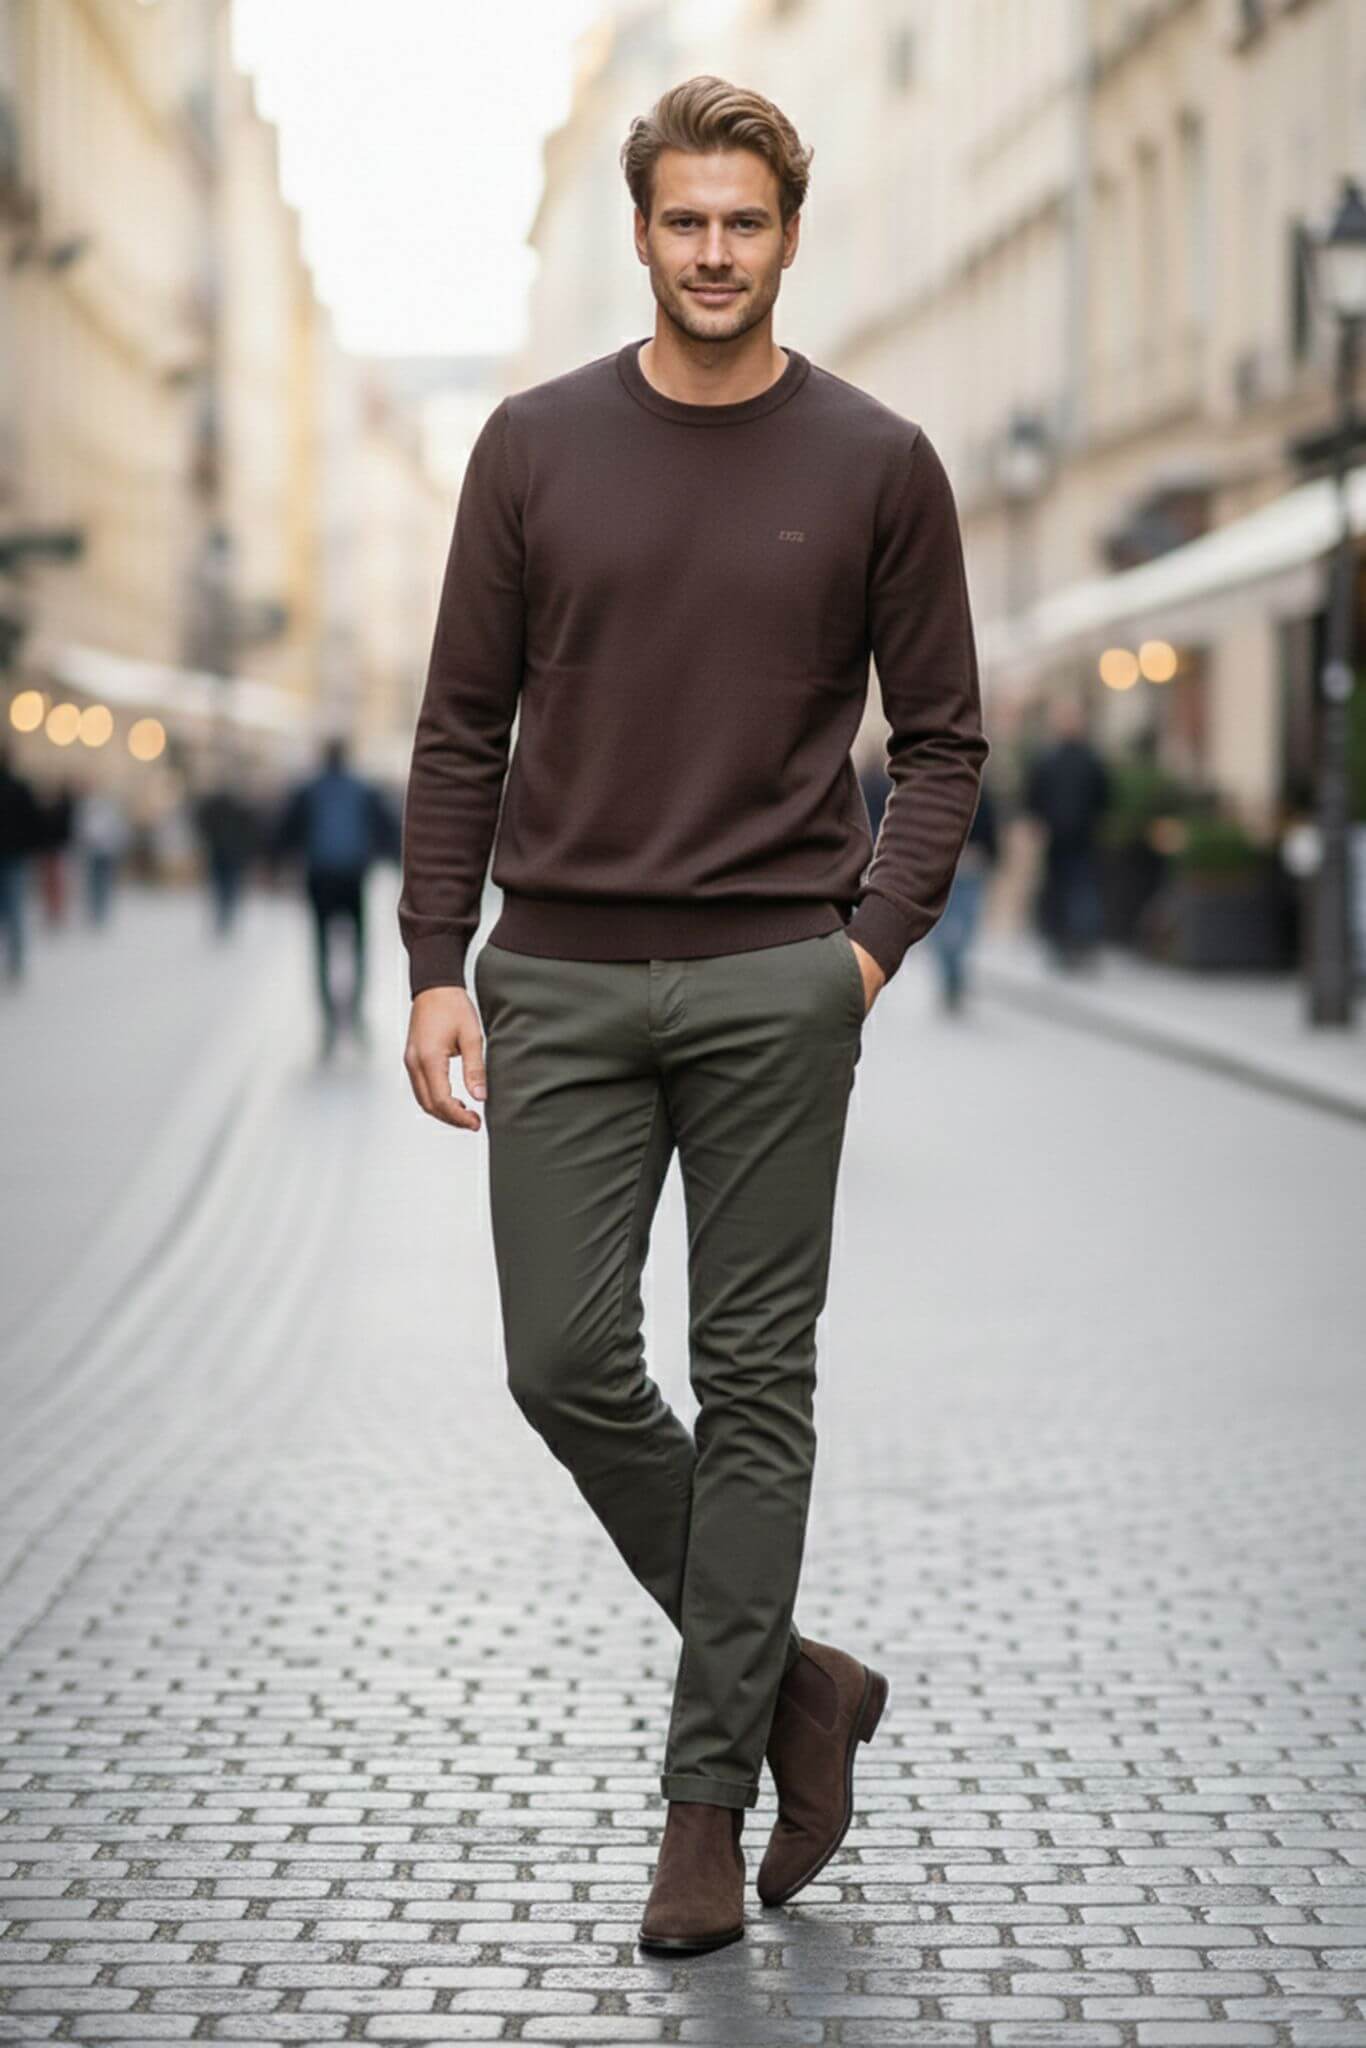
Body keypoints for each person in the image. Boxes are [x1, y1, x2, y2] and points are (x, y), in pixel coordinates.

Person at [397, 76, 989, 1956]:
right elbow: (457, 720)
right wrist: (433, 955)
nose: (715, 253)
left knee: (758, 1389)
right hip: (554, 971)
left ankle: (705, 1801)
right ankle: (802, 1681)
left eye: (746, 223)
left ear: (787, 237)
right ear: (639, 233)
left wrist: (866, 951)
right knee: (562, 1361)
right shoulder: (530, 444)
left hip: (772, 981)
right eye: (684, 222)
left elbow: (949, 738)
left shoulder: (878, 456)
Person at [273, 737, 398, 1055]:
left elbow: (286, 830)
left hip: (319, 876)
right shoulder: (364, 789)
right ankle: (354, 1010)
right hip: (353, 876)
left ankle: (329, 1017)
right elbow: (387, 829)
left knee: (322, 948)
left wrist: (276, 863)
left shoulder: (309, 790)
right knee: (358, 946)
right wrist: (396, 862)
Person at [1023, 695, 1112, 970]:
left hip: (1080, 839)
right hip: (1063, 841)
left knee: (1078, 893)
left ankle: (1080, 944)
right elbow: (1033, 798)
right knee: (1066, 893)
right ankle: (1067, 945)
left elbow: (1104, 797)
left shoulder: (1085, 759)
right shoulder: (1055, 760)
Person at [926, 779, 1000, 1011]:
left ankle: (953, 975)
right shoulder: (936, 791)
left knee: (959, 925)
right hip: (952, 868)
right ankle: (951, 976)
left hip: (965, 867)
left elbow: (990, 828)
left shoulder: (980, 791)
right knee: (947, 927)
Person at [193, 770, 260, 938]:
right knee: (229, 885)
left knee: (223, 885)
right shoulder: (238, 807)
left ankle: (223, 916)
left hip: (222, 851)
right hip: (230, 852)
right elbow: (250, 830)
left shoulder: (217, 807)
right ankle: (226, 915)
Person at [0, 741, 45, 983]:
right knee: (15, 909)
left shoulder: (20, 788)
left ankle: (15, 961)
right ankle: (15, 961)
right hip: (16, 856)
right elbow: (34, 822)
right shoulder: (21, 788)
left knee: (12, 910)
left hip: (14, 855)